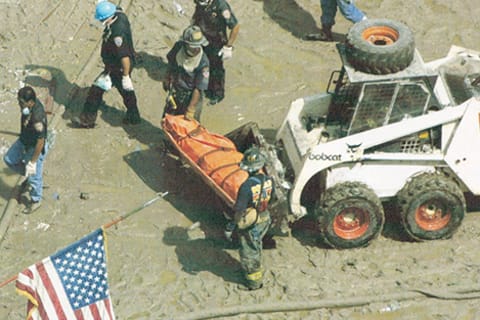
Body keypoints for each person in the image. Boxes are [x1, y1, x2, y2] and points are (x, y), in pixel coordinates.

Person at [72, 0, 140, 128]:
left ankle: (87, 120)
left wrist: (125, 76)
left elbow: (124, 57)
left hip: (117, 68)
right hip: (119, 65)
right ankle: (134, 116)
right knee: (126, 91)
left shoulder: (116, 34)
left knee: (96, 91)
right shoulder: (120, 15)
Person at [224, 147, 274, 290]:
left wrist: (231, 226)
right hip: (265, 218)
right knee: (256, 245)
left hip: (252, 223)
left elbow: (239, 211)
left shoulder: (246, 187)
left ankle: (254, 283)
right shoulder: (269, 180)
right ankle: (255, 268)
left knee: (249, 252)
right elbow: (273, 199)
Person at [4, 86, 48, 214]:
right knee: (9, 159)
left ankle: (36, 200)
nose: (19, 105)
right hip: (24, 140)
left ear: (30, 102)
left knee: (34, 175)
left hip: (33, 147)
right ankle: (29, 175)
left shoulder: (37, 118)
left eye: (21, 102)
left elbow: (41, 142)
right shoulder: (28, 108)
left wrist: (33, 162)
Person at [192, 0, 240, 105]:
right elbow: (196, 16)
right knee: (201, 65)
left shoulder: (221, 6)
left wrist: (228, 46)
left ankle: (218, 94)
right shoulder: (200, 3)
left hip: (216, 42)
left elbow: (235, 26)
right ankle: (203, 87)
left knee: (216, 68)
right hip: (202, 38)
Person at [163, 25, 210, 121]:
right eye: (193, 47)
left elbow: (198, 88)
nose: (196, 49)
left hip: (191, 96)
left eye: (198, 46)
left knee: (190, 125)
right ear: (185, 44)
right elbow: (171, 62)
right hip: (176, 91)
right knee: (168, 118)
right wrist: (167, 77)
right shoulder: (178, 47)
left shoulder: (203, 63)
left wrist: (191, 108)